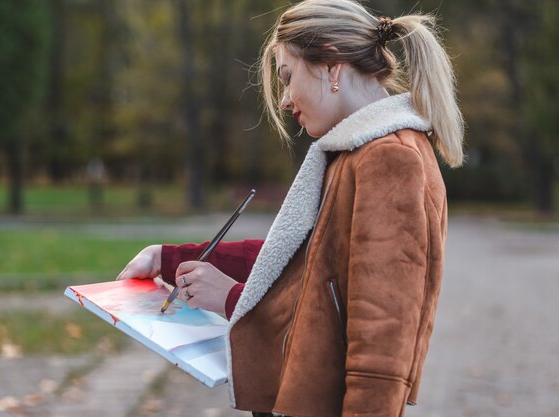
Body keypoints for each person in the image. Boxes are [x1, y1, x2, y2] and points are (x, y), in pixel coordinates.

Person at [117, 0, 464, 416]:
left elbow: (382, 343)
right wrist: (170, 258)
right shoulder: (356, 153)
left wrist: (230, 297)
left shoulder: (389, 159)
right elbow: (303, 259)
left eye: (287, 76)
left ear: (331, 66)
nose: (284, 100)